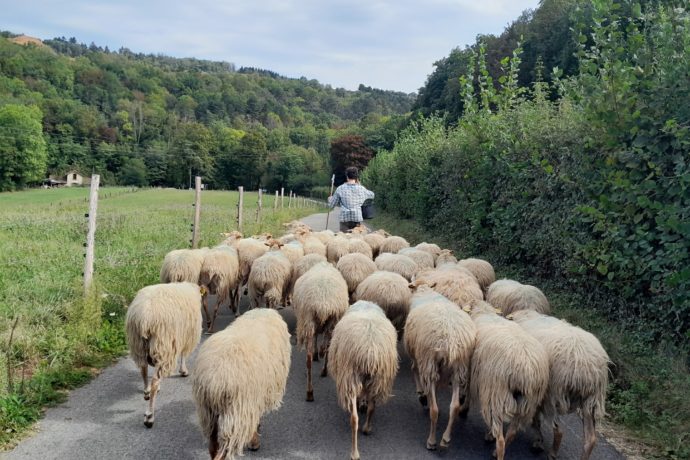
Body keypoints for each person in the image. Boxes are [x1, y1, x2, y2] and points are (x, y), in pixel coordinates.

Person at [328, 166, 375, 233]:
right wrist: (360, 185)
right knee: (356, 240)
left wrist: (330, 199)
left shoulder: (340, 189)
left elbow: (331, 205)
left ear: (347, 176)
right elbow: (372, 195)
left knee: (344, 240)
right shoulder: (361, 189)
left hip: (344, 219)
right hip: (356, 218)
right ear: (356, 177)